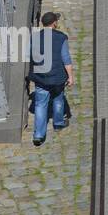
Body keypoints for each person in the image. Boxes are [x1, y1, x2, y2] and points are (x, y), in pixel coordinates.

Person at [29, 12, 73, 148]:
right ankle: (58, 123)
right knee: (58, 99)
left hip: (41, 77)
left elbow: (30, 56)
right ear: (54, 23)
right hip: (57, 77)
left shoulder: (35, 38)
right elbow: (66, 59)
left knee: (40, 104)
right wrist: (70, 76)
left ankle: (38, 135)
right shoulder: (61, 38)